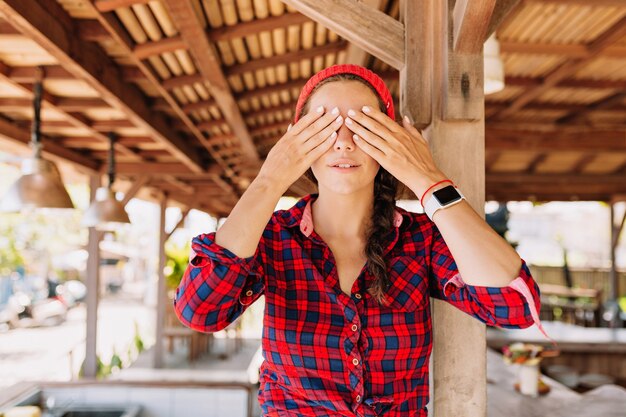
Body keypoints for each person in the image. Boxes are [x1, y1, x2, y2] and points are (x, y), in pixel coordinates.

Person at [174, 64, 548, 416]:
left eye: (363, 125)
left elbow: (514, 306)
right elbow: (200, 312)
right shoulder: (272, 237)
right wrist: (270, 179)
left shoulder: (422, 241)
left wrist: (425, 177)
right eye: (324, 126)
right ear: (297, 140)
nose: (343, 142)